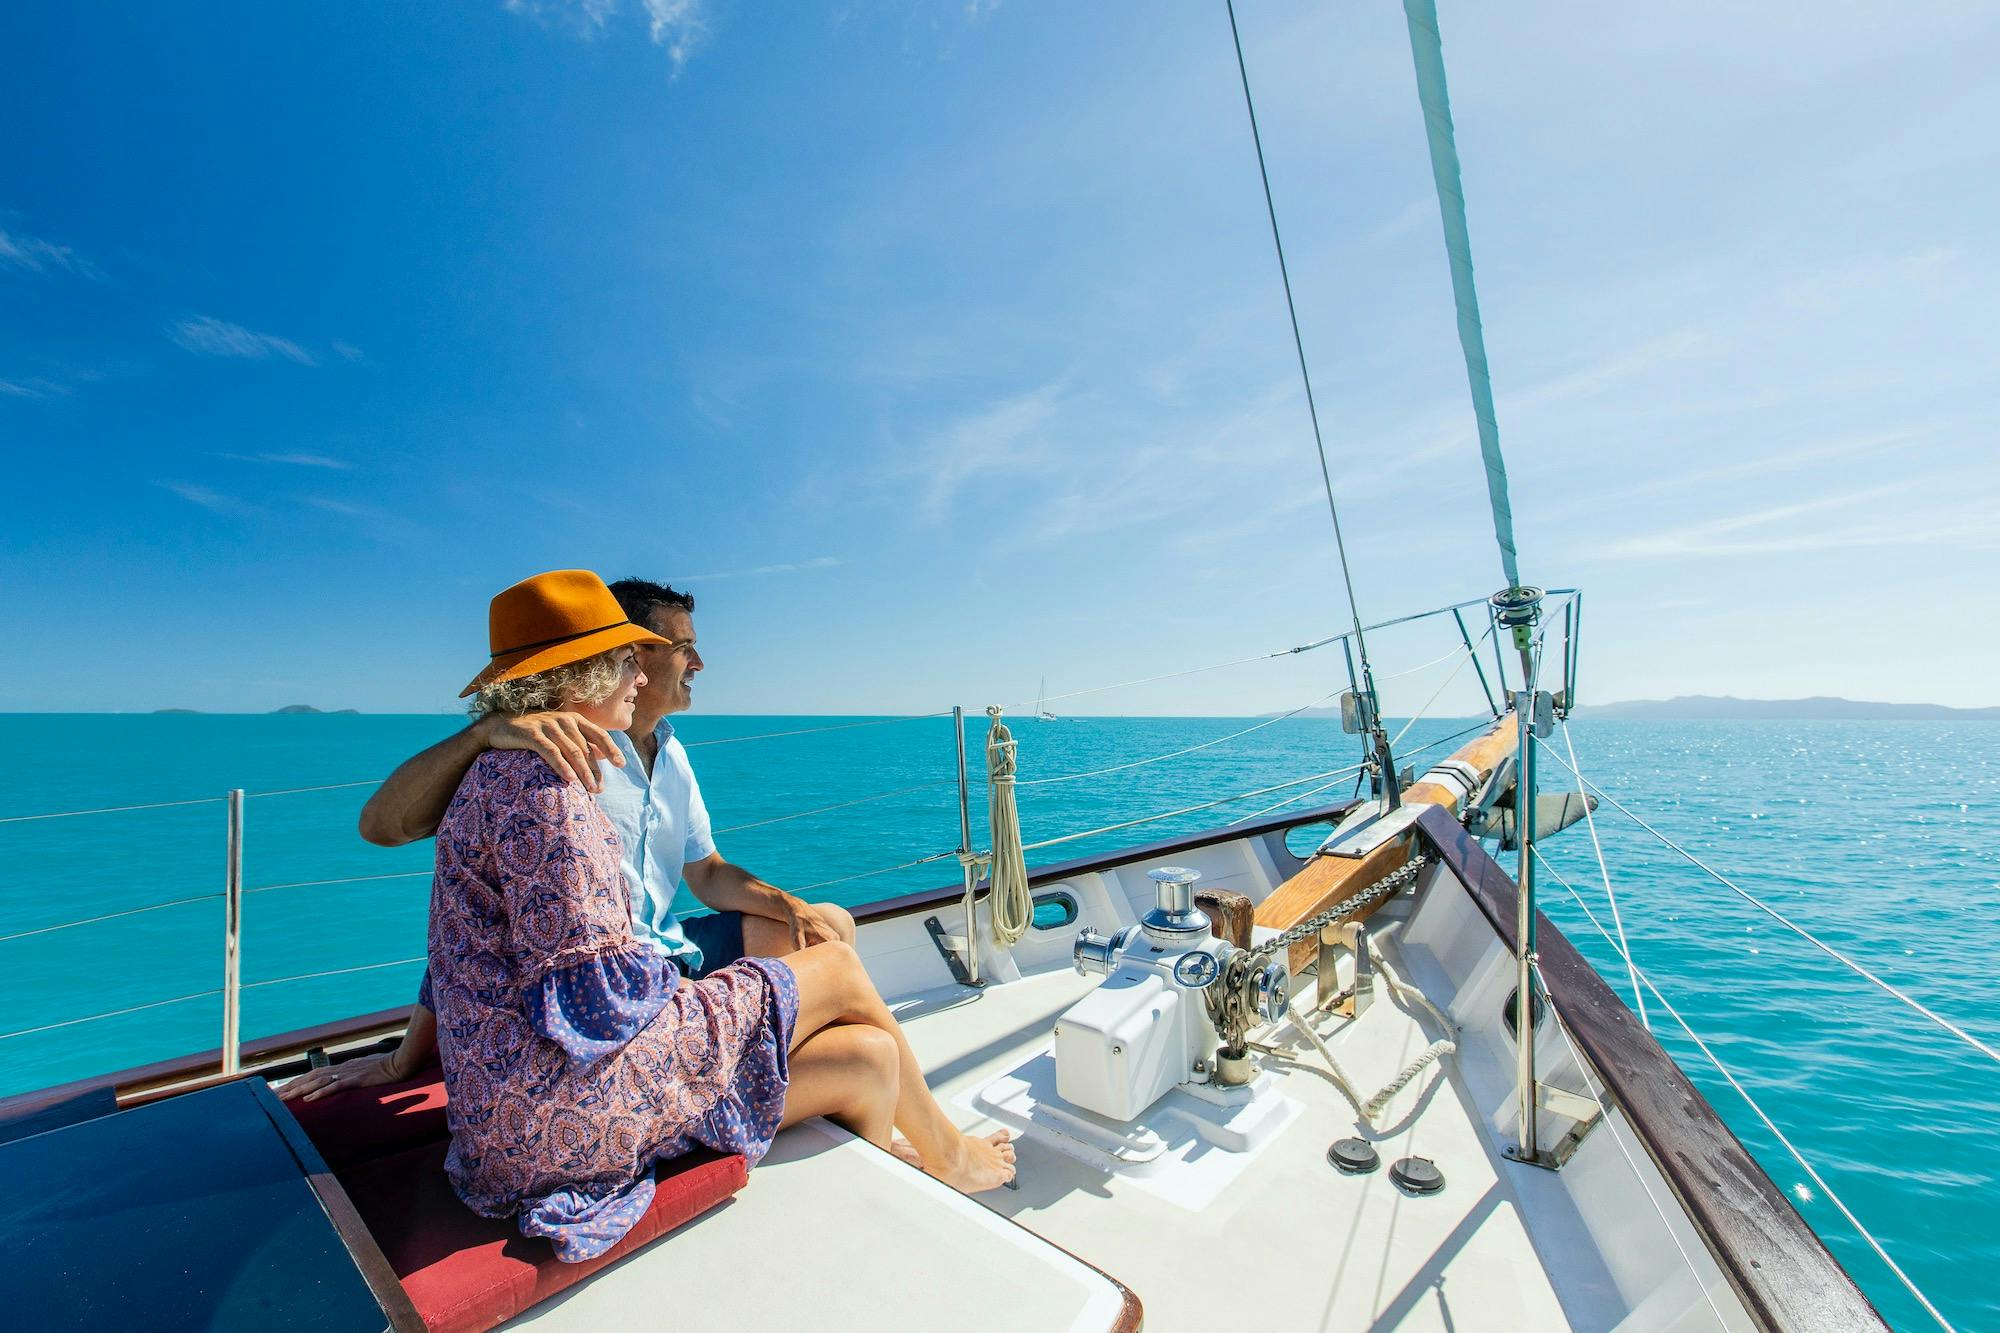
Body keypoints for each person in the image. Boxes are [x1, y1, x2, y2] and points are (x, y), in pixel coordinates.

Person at [283, 571, 1012, 1248]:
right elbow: (596, 1005)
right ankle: (948, 1154)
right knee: (843, 977)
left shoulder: (518, 775)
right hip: (575, 1088)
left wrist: (764, 943)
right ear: (590, 671)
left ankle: (897, 1132)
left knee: (861, 1029)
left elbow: (476, 944)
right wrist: (720, 1017)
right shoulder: (555, 788)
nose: (647, 668)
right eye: (636, 656)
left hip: (521, 1097)